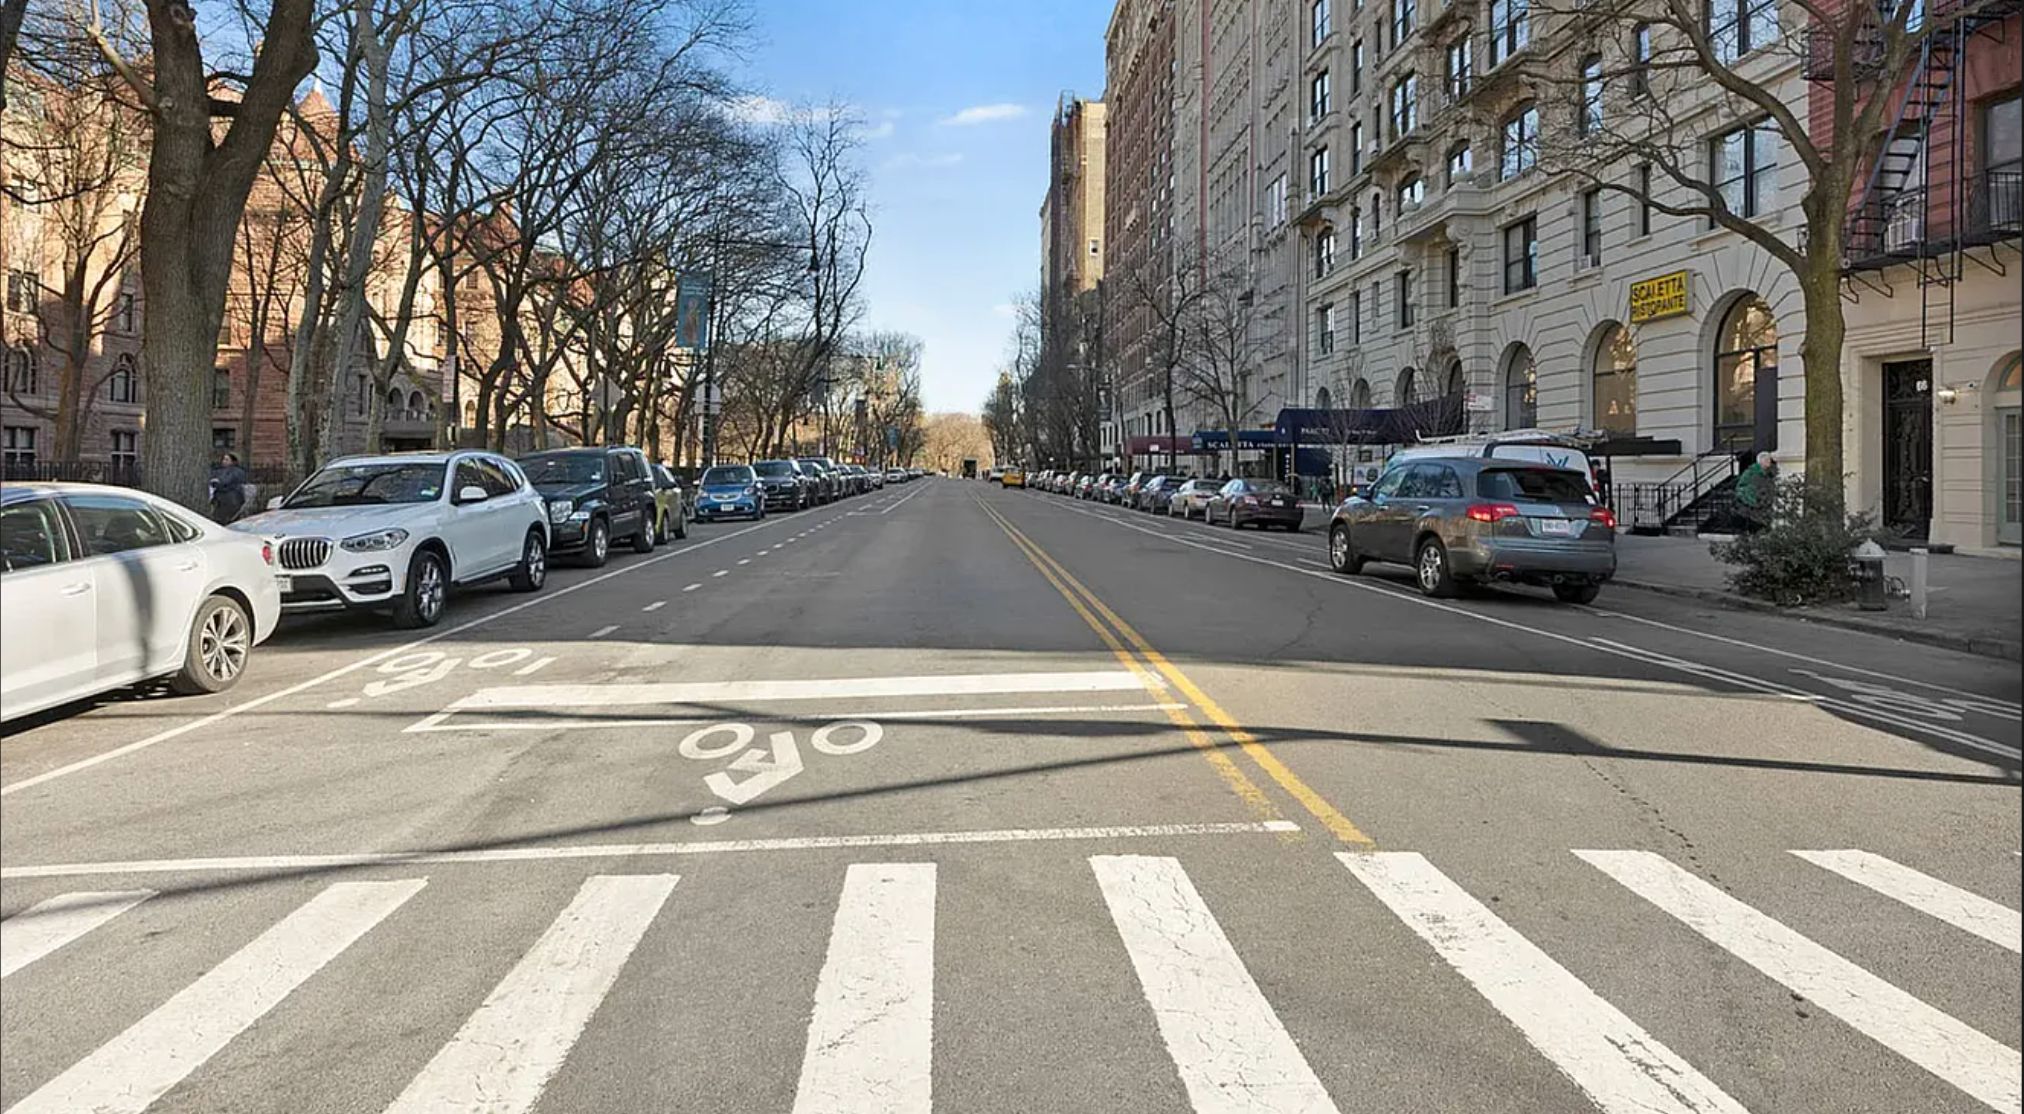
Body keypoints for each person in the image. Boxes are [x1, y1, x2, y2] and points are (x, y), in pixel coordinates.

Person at [1733, 450, 1776, 531]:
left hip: (1766, 507)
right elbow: (1741, 488)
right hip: (1754, 509)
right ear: (1761, 461)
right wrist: (1753, 500)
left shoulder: (1770, 473)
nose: (1769, 462)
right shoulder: (1751, 473)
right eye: (1767, 460)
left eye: (1769, 459)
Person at [209, 452, 250, 523]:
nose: (224, 461)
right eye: (223, 459)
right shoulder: (220, 470)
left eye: (227, 459)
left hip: (231, 499)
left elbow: (225, 481)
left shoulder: (236, 471)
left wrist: (217, 483)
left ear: (233, 461)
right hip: (221, 500)